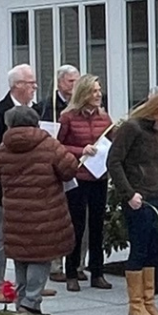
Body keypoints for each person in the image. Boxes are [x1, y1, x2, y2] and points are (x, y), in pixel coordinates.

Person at [0, 106, 79, 314]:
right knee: (41, 256)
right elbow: (69, 169)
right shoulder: (48, 144)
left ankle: (21, 300)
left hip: (15, 212)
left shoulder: (4, 147)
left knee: (21, 256)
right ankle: (31, 301)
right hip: (45, 212)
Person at [106, 92, 158, 315]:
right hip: (137, 198)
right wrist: (128, 193)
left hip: (156, 196)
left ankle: (149, 302)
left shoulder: (156, 133)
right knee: (139, 249)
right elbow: (114, 161)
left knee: (152, 249)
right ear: (156, 110)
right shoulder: (132, 128)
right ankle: (135, 306)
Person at [0, 64, 47, 303]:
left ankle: (28, 284)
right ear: (17, 85)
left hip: (35, 187)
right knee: (2, 237)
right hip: (7, 187)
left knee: (30, 236)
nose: (35, 88)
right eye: (30, 83)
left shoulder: (36, 111)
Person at [55, 74, 113, 291]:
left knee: (97, 225)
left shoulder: (105, 118)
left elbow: (111, 141)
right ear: (84, 93)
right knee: (76, 225)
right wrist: (81, 150)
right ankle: (71, 271)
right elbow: (58, 145)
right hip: (77, 177)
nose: (98, 95)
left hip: (99, 176)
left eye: (99, 91)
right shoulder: (68, 117)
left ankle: (97, 272)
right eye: (94, 91)